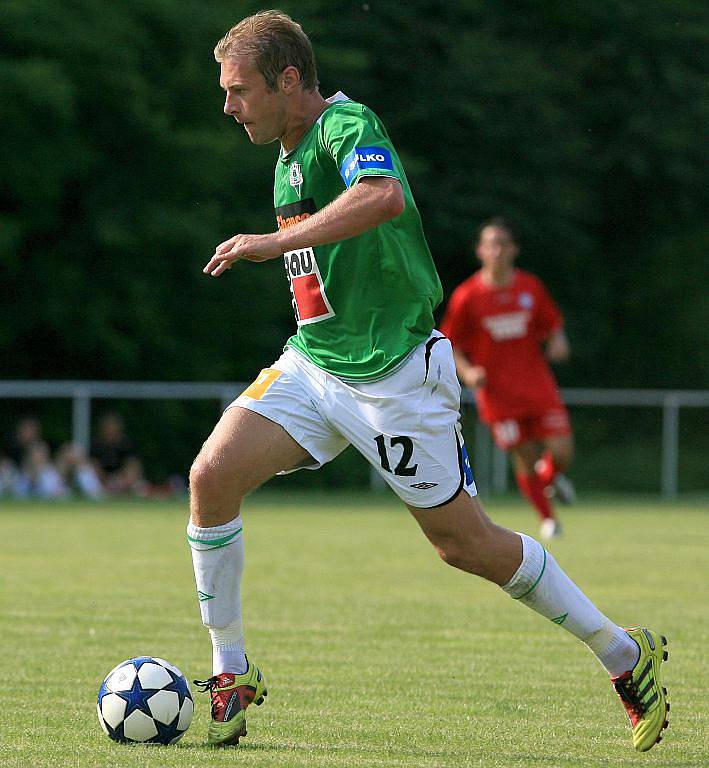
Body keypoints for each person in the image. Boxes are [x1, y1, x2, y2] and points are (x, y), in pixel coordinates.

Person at [186, 10, 669, 752]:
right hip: (314, 365)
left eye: (239, 90)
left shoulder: (345, 125)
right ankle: (231, 673)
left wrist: (272, 242)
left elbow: (381, 197)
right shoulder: (282, 159)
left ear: (289, 80)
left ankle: (623, 655)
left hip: (394, 380)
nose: (227, 106)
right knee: (210, 476)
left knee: (463, 545)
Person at [441, 217, 575, 540]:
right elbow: (451, 344)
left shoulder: (529, 287)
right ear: (480, 250)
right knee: (526, 457)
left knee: (561, 451)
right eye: (490, 244)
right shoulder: (467, 296)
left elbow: (551, 324)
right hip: (499, 396)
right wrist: (468, 372)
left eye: (502, 243)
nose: (497, 251)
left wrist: (558, 340)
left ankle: (551, 478)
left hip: (538, 387)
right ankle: (549, 520)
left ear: (513, 249)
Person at [90, 413, 146, 496]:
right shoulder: (96, 445)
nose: (110, 432)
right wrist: (106, 480)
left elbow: (133, 465)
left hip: (122, 480)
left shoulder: (127, 444)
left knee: (136, 479)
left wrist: (121, 480)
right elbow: (93, 466)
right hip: (101, 481)